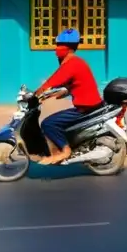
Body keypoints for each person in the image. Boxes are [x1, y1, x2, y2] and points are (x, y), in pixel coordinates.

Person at [34, 29, 103, 165]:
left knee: (48, 123)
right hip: (88, 105)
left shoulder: (72, 64)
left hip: (85, 108)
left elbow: (52, 82)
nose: (56, 49)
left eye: (60, 46)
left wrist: (34, 94)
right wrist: (56, 93)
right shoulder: (76, 62)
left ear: (68, 48)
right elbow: (73, 84)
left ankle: (64, 150)